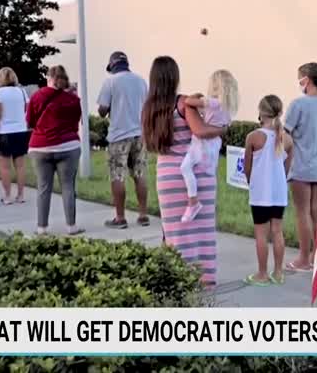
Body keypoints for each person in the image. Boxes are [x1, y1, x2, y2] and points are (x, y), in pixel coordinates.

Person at [142, 56, 224, 287]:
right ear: (174, 77)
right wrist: (222, 128)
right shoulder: (183, 103)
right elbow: (200, 130)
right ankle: (204, 278)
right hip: (195, 175)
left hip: (166, 175)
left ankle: (177, 276)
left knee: (174, 232)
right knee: (203, 230)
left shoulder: (149, 107)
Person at [284, 62, 317, 272]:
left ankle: (303, 259)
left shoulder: (297, 105)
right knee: (315, 211)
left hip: (300, 166)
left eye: (299, 78)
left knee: (302, 212)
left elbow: (286, 135)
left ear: (306, 80)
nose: (298, 83)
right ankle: (316, 256)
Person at [27, 65, 84, 235]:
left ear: (49, 77)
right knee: (68, 186)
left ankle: (42, 228)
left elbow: (30, 121)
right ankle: (72, 227)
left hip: (40, 147)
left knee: (43, 187)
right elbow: (76, 122)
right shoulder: (73, 99)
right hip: (68, 146)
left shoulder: (37, 96)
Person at [243, 95, 293, 286]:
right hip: (279, 193)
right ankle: (278, 272)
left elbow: (247, 168)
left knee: (261, 234)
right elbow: (286, 169)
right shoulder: (287, 139)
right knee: (278, 231)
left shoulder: (253, 137)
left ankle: (262, 274)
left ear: (261, 112)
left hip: (260, 194)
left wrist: (251, 182)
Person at [97, 51, 150, 229]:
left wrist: (111, 106)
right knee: (140, 174)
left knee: (118, 176)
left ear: (112, 66)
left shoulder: (110, 81)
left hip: (119, 136)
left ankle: (120, 218)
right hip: (139, 135)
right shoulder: (141, 81)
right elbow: (148, 106)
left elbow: (102, 110)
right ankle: (143, 215)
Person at [180, 70, 239, 222]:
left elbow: (188, 102)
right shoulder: (225, 107)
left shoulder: (214, 102)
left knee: (186, 168)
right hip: (213, 142)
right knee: (206, 173)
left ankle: (193, 202)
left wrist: (196, 96)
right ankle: (204, 206)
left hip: (203, 142)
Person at [0, 67, 30, 204]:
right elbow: (27, 110)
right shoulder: (22, 92)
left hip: (4, 132)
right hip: (20, 130)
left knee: (5, 167)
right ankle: (21, 195)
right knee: (20, 166)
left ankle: (7, 196)